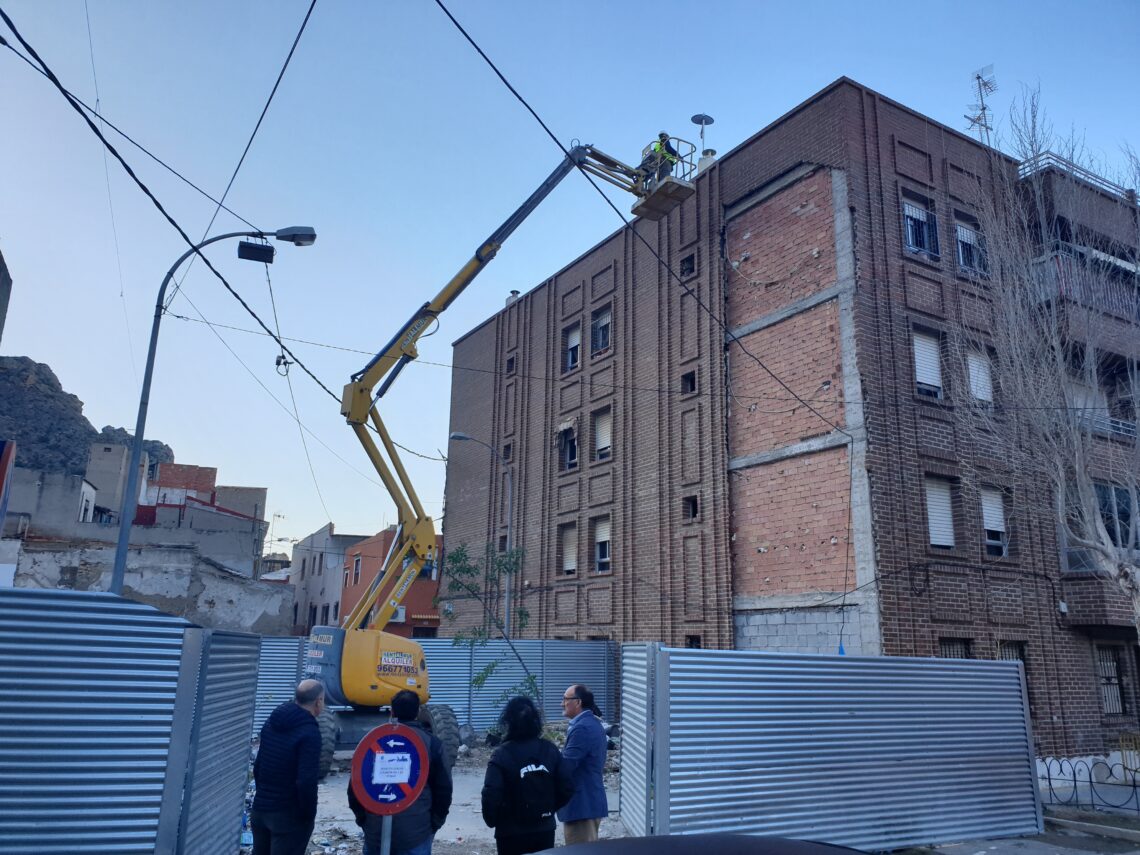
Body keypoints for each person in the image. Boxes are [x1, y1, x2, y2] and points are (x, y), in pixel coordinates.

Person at [348, 690, 453, 855]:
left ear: (392, 711)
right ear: (418, 712)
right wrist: (434, 823)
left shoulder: (374, 742)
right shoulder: (432, 744)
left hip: (375, 833)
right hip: (416, 833)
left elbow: (355, 787)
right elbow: (443, 789)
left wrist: (364, 820)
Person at [481, 696, 574, 855]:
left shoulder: (502, 754)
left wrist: (493, 820)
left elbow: (491, 793)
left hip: (510, 832)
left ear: (508, 722)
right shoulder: (550, 750)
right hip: (544, 829)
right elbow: (566, 787)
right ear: (535, 721)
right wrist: (548, 808)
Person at [251, 679, 324, 855]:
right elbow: (306, 781)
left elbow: (259, 766)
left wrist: (265, 797)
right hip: (288, 817)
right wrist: (308, 815)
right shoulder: (309, 732)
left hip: (260, 811)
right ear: (318, 701)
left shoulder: (272, 721)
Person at [557, 683, 608, 845]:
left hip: (582, 806)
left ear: (578, 702)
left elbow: (567, 765)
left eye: (565, 699)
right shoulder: (589, 723)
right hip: (586, 804)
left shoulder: (583, 729)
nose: (561, 703)